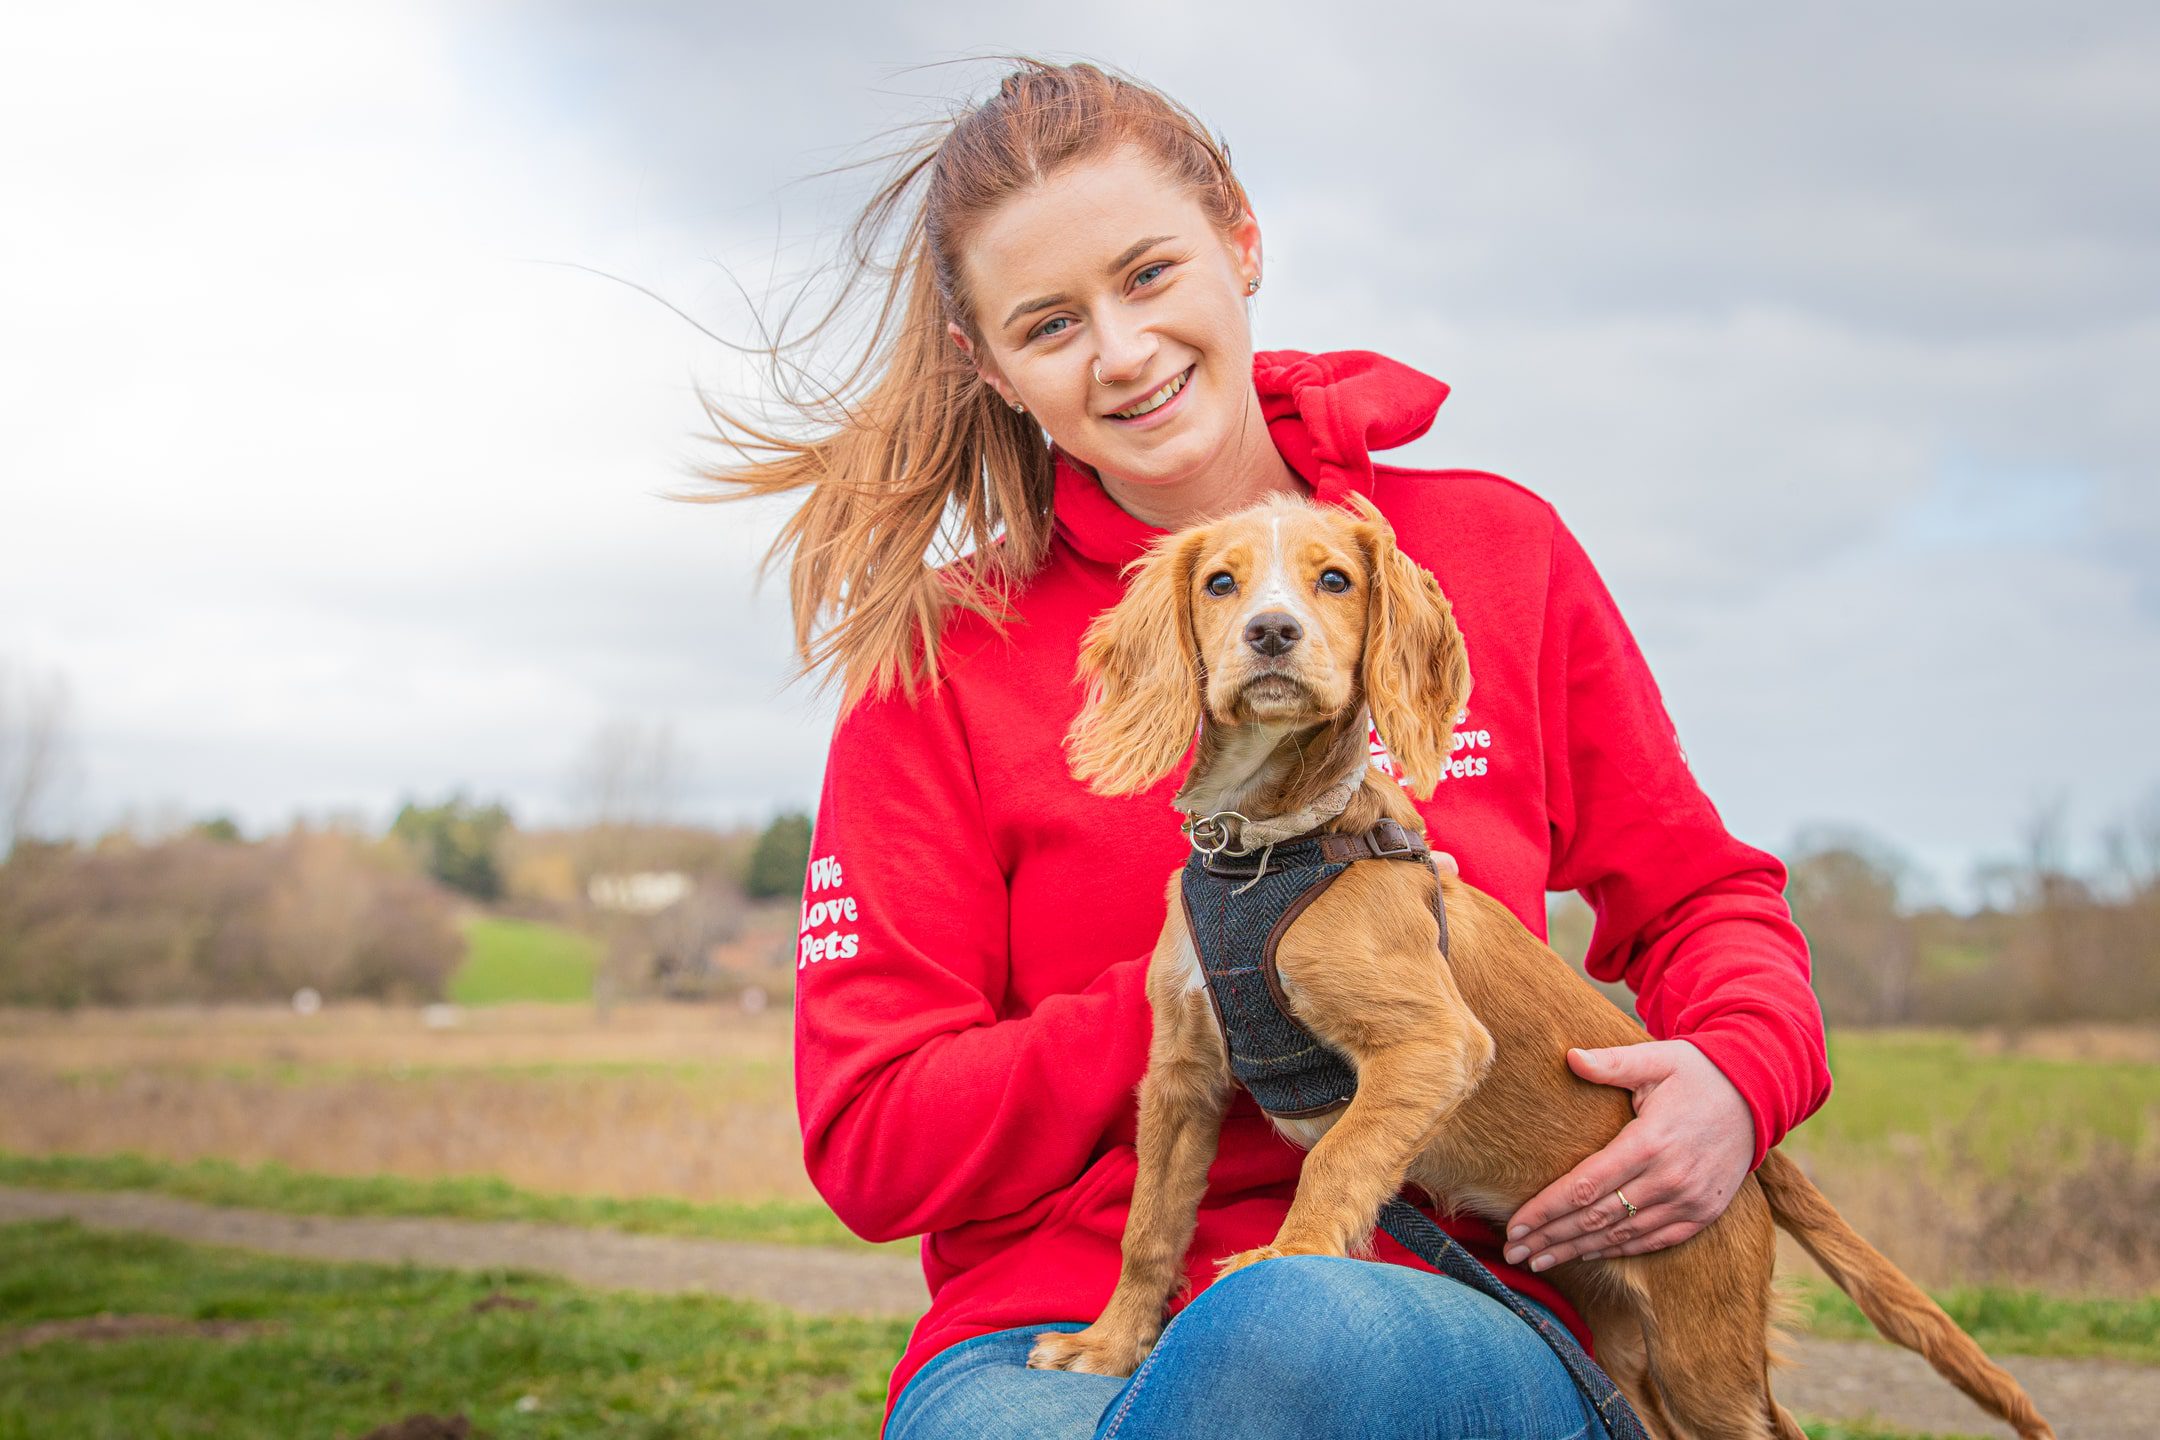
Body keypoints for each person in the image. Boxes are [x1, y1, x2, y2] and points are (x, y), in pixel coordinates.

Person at [692, 57, 1830, 1440]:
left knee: (1287, 1330)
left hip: (1448, 1295)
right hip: (1049, 1338)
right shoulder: (940, 662)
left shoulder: (1486, 551)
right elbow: (874, 1143)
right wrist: (1227, 970)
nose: (1121, 349)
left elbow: (1702, 897)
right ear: (985, 367)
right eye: (1051, 323)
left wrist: (1739, 1075)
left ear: (1240, 239)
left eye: (1151, 273)